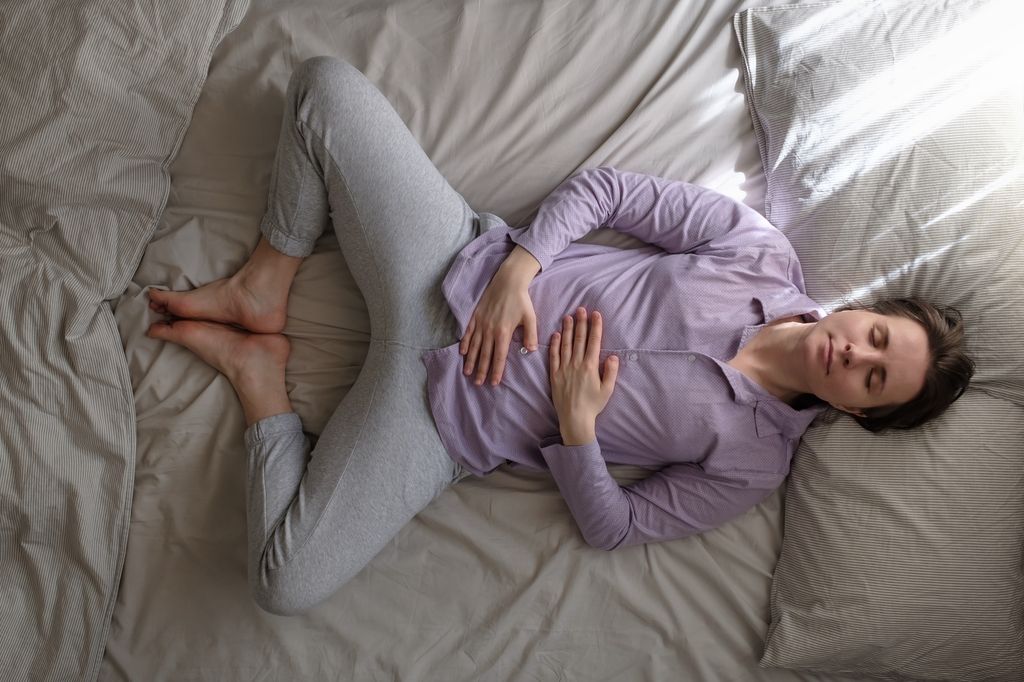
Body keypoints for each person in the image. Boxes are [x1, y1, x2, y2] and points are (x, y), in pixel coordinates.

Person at [144, 57, 974, 616]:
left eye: (873, 379)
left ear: (861, 413)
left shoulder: (755, 464)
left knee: (286, 585)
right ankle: (267, 281)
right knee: (324, 86)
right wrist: (522, 268)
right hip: (449, 267)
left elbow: (615, 527)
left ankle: (260, 377)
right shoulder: (759, 253)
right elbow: (609, 192)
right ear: (868, 311)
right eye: (876, 337)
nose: (856, 354)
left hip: (440, 425)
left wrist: (578, 433)